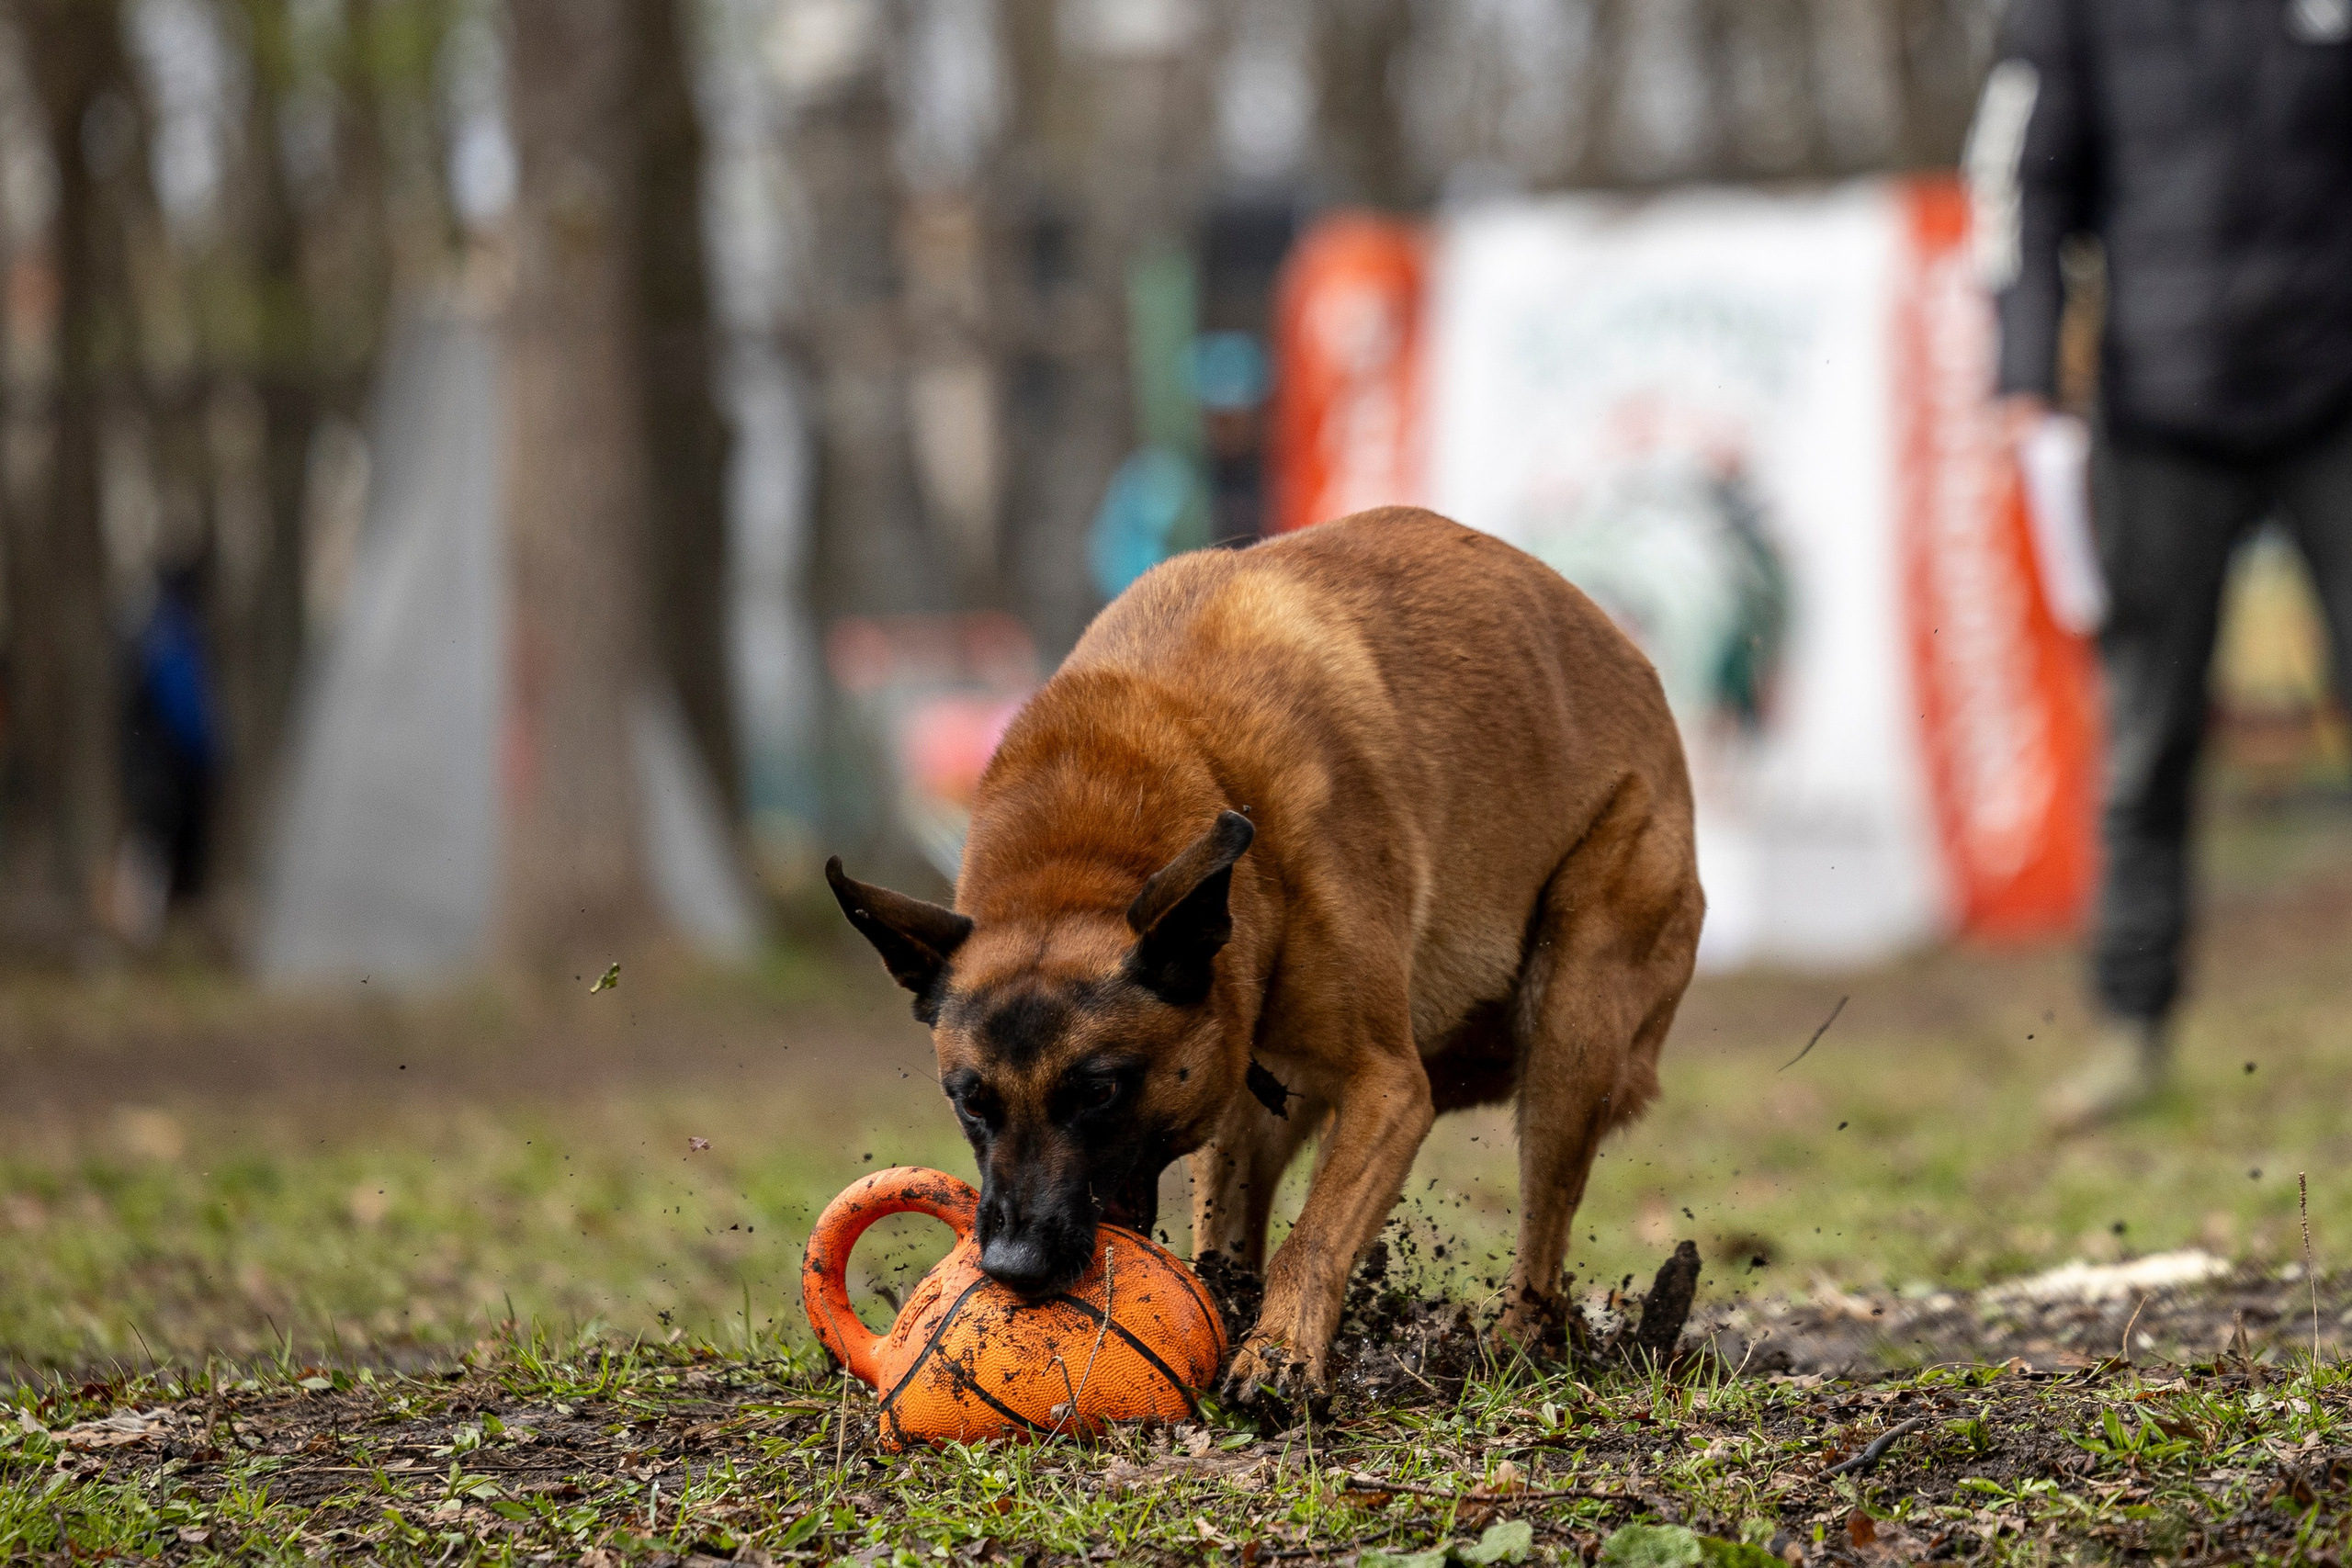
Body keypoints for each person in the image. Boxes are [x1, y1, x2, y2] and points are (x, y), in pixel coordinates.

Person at [1966, 0, 2352, 1129]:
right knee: (2148, 735)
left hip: (2337, 392)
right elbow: (2022, 180)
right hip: (2158, 409)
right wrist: (2024, 367)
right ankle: (2131, 1031)